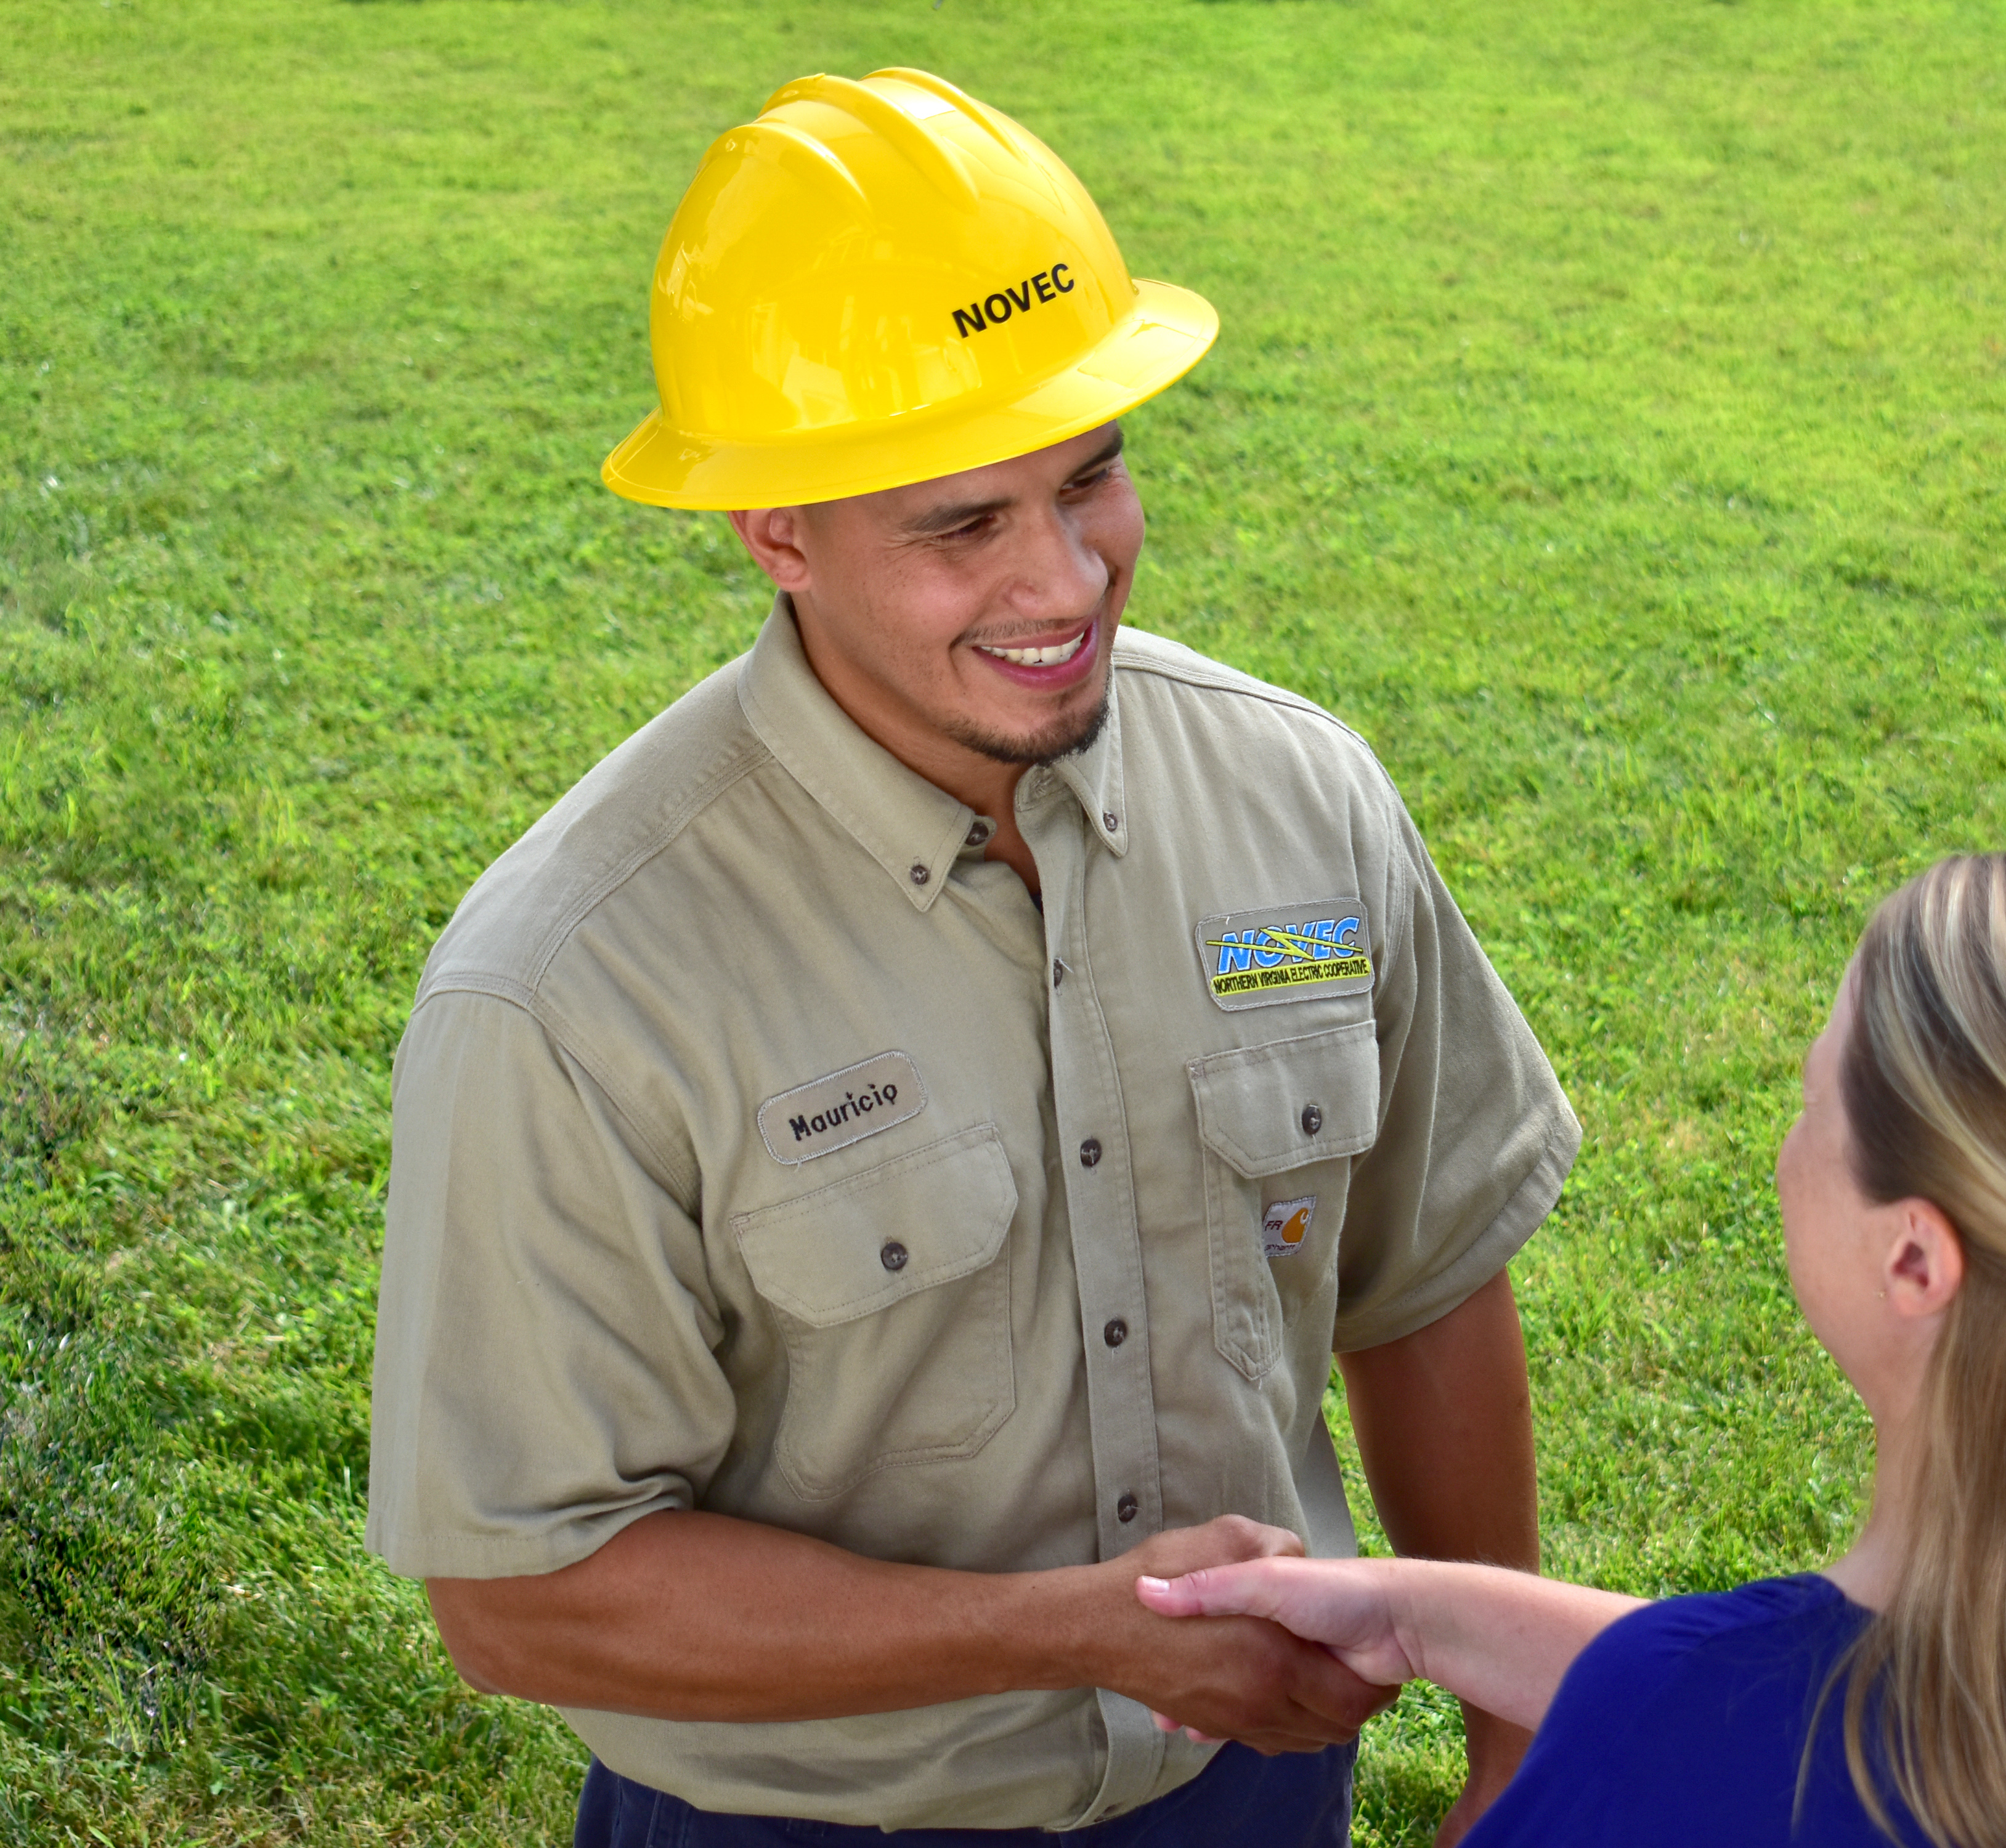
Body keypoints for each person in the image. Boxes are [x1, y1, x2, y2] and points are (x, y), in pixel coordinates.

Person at [362, 68, 1578, 1847]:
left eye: (1091, 481)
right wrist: (1074, 1636)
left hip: (1250, 1792)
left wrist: (1513, 1739)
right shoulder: (568, 989)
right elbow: (523, 1592)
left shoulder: (1301, 798)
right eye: (962, 526)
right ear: (775, 529)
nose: (1066, 581)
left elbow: (1430, 1272)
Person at [1140, 848, 2006, 1846]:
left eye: (1812, 1098)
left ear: (1913, 1260)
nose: (1790, 1137)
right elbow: (1803, 1712)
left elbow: (1729, 1725)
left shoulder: (1663, 1756)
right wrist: (1420, 1617)